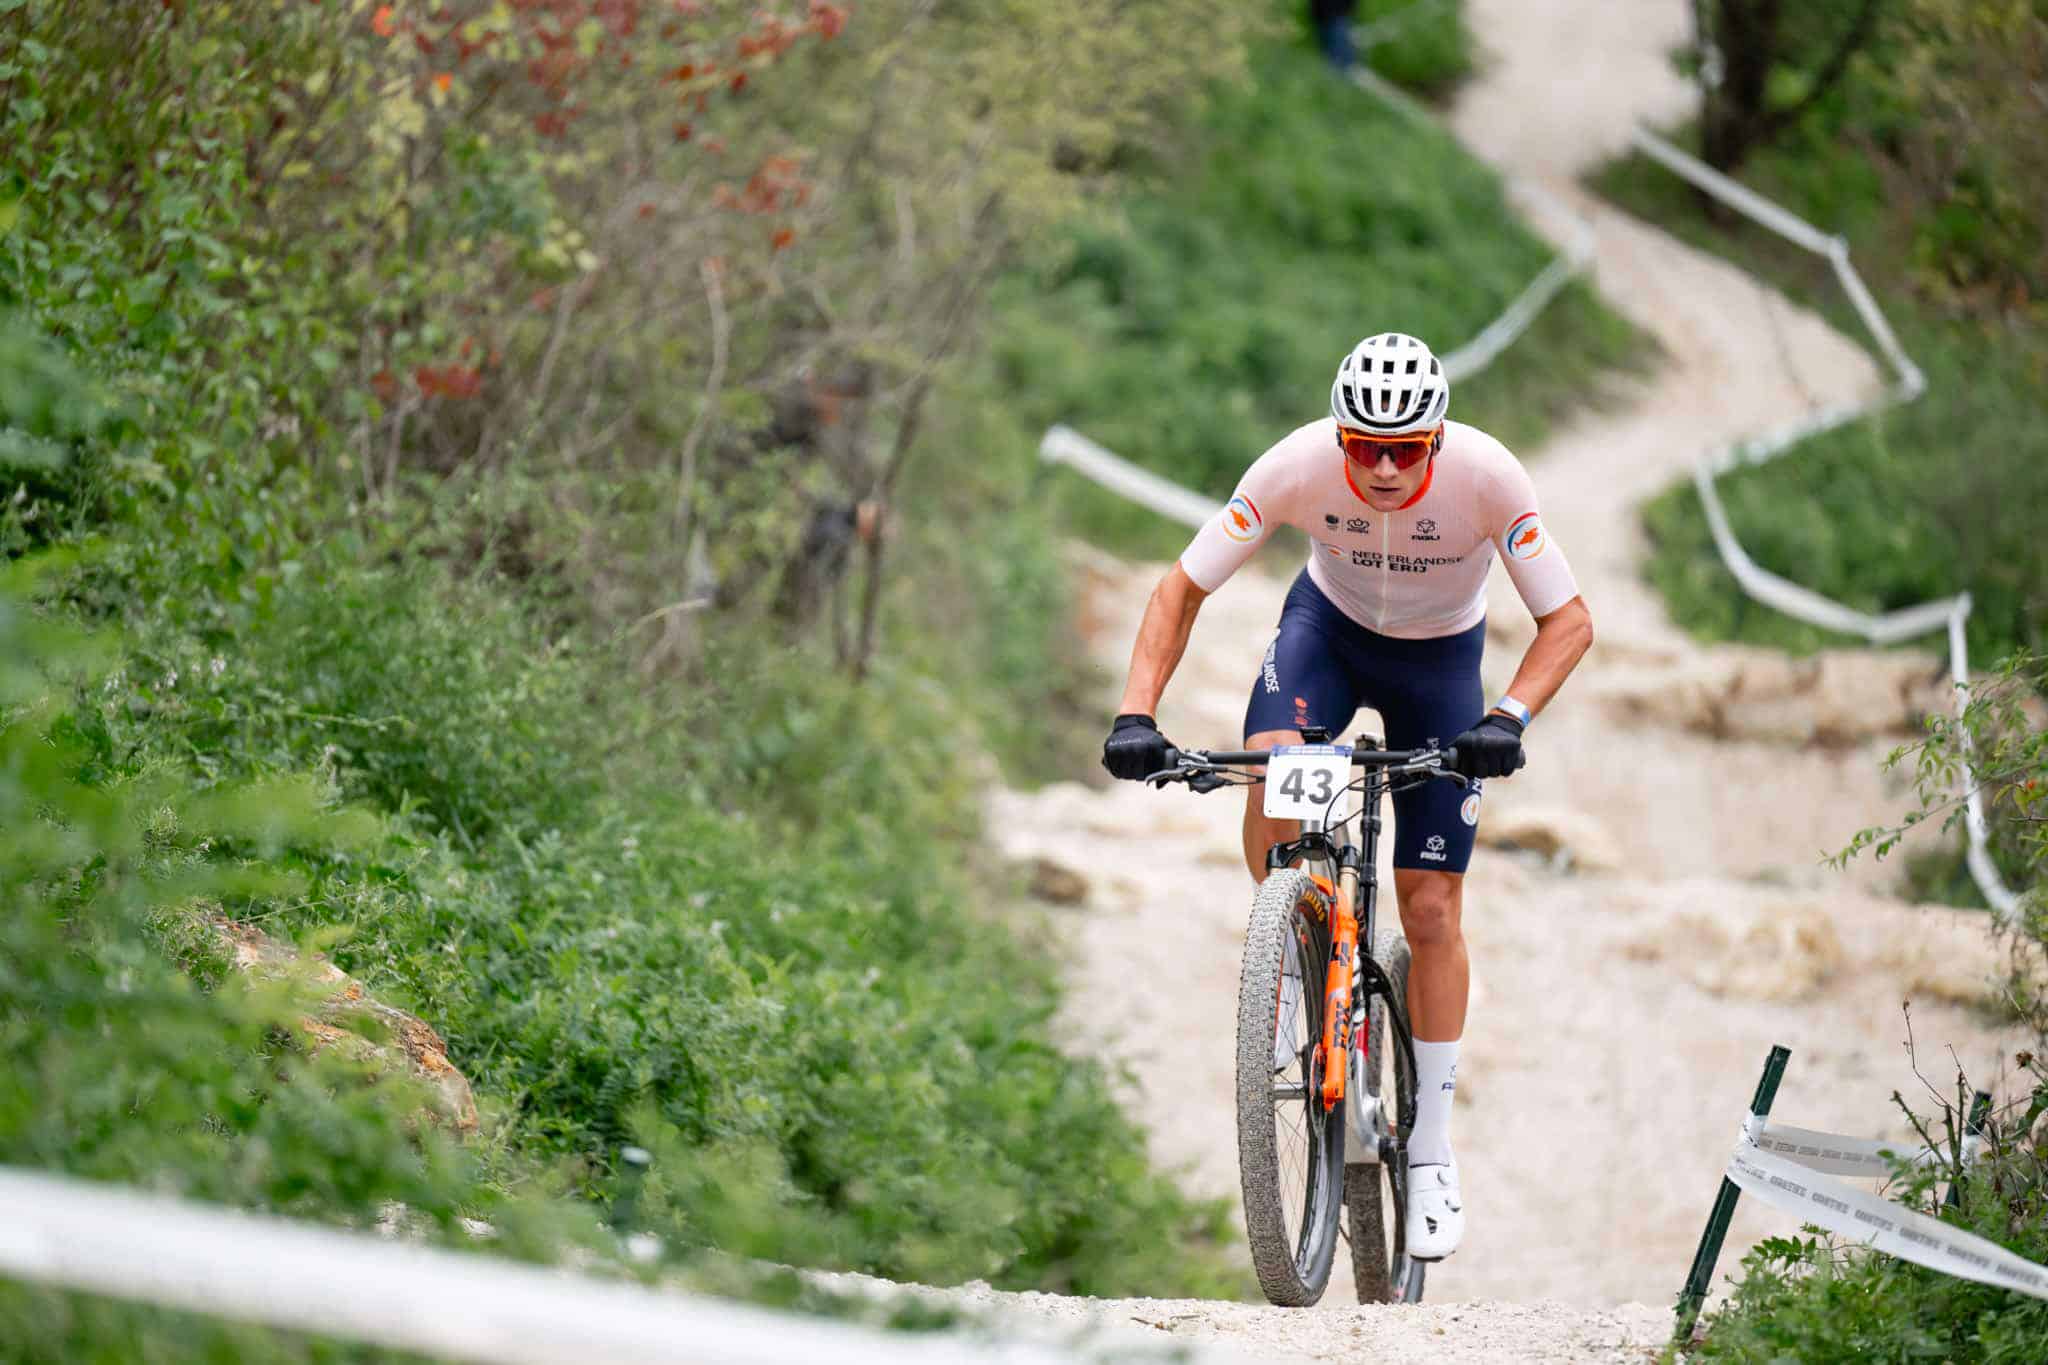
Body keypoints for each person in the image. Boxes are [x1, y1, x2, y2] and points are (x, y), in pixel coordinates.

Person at [1100, 332, 1594, 1262]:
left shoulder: (1489, 477)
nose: (1381, 467)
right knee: (1273, 755)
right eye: (1363, 445)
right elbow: (1181, 585)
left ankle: (1433, 1151)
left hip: (1441, 664)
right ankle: (1287, 942)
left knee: (1433, 906)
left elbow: (1567, 619)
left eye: (1404, 449)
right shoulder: (1297, 464)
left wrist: (1510, 717)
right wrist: (1136, 711)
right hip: (1326, 633)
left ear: (1437, 441)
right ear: (1340, 435)